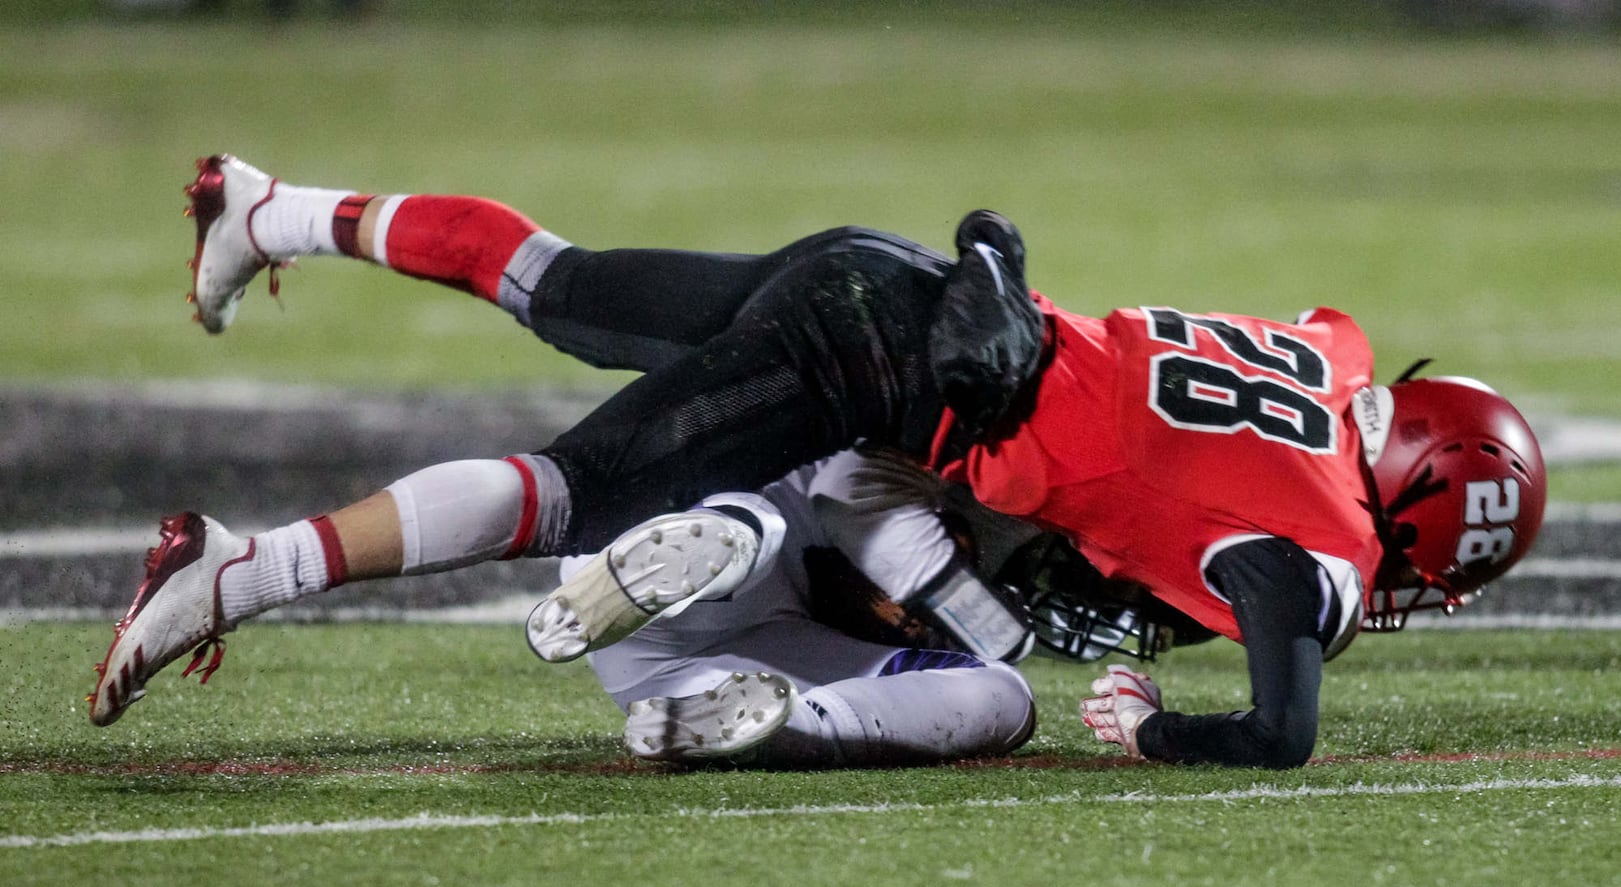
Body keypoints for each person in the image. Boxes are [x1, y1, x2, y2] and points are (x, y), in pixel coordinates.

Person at [90, 153, 1547, 772]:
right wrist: (1158, 730)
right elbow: (1283, 721)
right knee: (579, 496)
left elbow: (1302, 363)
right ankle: (248, 568)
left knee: (560, 283)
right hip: (881, 386)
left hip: (885, 283)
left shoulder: (1335, 356)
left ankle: (277, 212)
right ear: (1406, 515)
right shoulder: (1322, 544)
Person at [528, 447, 1039, 767]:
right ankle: (646, 575)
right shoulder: (907, 460)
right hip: (688, 542)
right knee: (748, 525)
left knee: (1005, 695)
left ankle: (785, 729)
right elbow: (846, 494)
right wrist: (978, 613)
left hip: (673, 675)